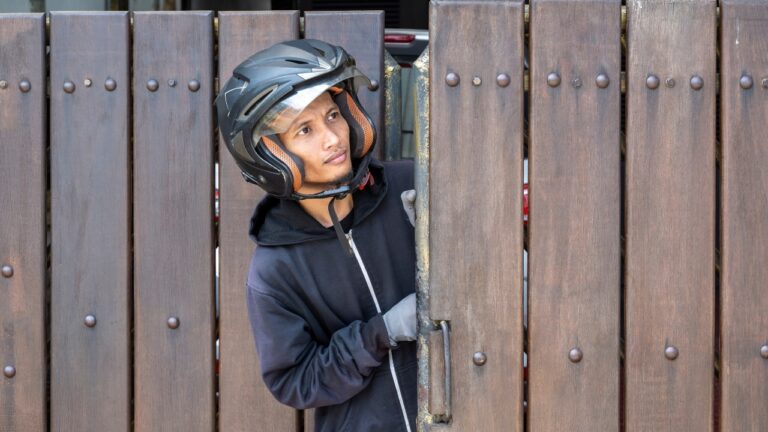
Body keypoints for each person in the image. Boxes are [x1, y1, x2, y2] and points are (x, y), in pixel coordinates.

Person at [215, 39, 418, 432]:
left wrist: (442, 229)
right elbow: (294, 381)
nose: (333, 138)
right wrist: (381, 333)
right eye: (305, 129)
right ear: (271, 156)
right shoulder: (275, 272)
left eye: (332, 116)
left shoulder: (411, 188)